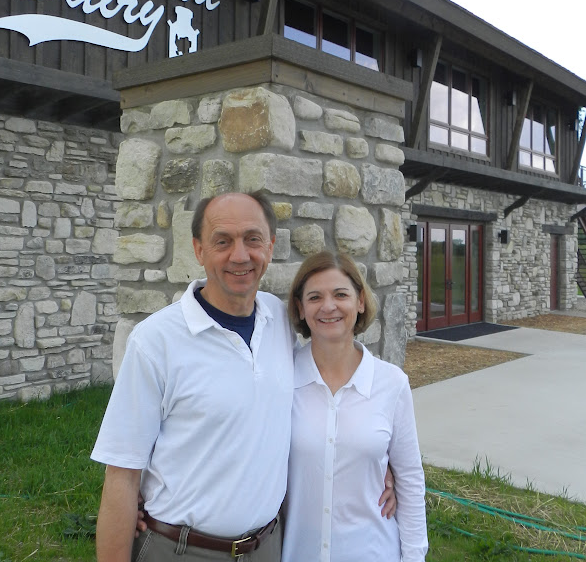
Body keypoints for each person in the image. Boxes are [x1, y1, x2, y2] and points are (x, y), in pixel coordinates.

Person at [93, 190, 396, 561]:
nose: (240, 255)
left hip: (268, 547)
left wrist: (376, 464)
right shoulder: (155, 342)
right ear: (198, 249)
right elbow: (122, 475)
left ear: (269, 246)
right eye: (223, 241)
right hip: (182, 549)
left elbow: (326, 398)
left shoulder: (280, 323)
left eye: (253, 239)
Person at [283, 250, 428, 562]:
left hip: (373, 551)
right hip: (298, 552)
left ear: (360, 301)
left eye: (340, 294)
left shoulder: (392, 384)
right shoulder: (281, 377)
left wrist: (415, 556)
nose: (328, 306)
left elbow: (410, 480)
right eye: (314, 297)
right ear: (300, 307)